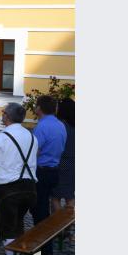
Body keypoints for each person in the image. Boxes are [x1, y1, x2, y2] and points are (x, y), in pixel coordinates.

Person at [0, 103, 37, 255]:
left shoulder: (1, 137)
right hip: (29, 188)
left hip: (7, 190)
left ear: (7, 116)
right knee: (17, 224)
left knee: (7, 229)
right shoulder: (31, 136)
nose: (2, 114)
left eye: (3, 112)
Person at [30, 95, 67, 255]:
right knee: (42, 210)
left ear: (39, 108)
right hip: (54, 171)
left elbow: (35, 152)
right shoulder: (60, 125)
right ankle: (43, 248)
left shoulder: (42, 127)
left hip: (42, 172)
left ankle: (44, 250)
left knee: (40, 212)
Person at [53, 98, 75, 241]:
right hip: (74, 163)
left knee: (55, 197)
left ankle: (58, 228)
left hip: (61, 162)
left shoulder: (61, 126)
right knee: (70, 197)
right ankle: (68, 227)